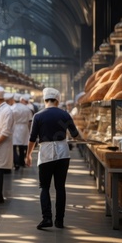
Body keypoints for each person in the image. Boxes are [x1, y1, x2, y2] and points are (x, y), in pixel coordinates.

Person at [25, 87, 82, 230]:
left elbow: (32, 139)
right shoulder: (65, 114)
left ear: (45, 100)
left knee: (44, 187)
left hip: (45, 153)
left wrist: (28, 155)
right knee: (60, 187)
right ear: (57, 100)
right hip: (63, 154)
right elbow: (75, 134)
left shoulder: (38, 116)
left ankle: (47, 218)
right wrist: (81, 140)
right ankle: (60, 221)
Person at [11, 93, 33, 170]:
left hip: (15, 127)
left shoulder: (12, 108)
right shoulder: (27, 109)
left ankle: (16, 162)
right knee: (22, 146)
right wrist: (30, 130)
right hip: (24, 127)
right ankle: (22, 162)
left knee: (13, 146)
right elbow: (30, 121)